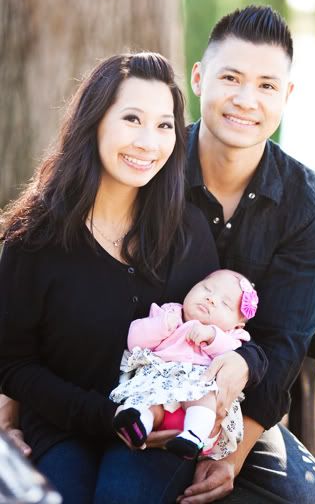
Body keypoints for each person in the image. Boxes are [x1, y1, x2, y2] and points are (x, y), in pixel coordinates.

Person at [0, 51, 267, 504]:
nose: (148, 142)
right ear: (94, 122)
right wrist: (105, 417)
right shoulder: (35, 238)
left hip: (164, 427)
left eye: (164, 125)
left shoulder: (186, 229)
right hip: (65, 425)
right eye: (132, 119)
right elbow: (13, 363)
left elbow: (228, 330)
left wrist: (247, 363)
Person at [177, 5, 315, 503]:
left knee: (314, 500)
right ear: (199, 78)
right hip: (141, 386)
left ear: (286, 96)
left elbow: (284, 343)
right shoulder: (153, 168)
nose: (246, 100)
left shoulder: (306, 204)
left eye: (267, 85)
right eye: (231, 78)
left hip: (239, 410)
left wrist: (231, 456)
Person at [110, 269, 258, 461]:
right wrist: (162, 326)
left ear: (237, 325)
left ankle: (193, 437)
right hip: (159, 384)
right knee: (147, 402)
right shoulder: (168, 312)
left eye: (225, 303)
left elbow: (233, 353)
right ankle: (138, 425)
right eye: (207, 289)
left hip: (196, 391)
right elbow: (134, 341)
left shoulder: (232, 336)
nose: (211, 299)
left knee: (205, 396)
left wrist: (212, 336)